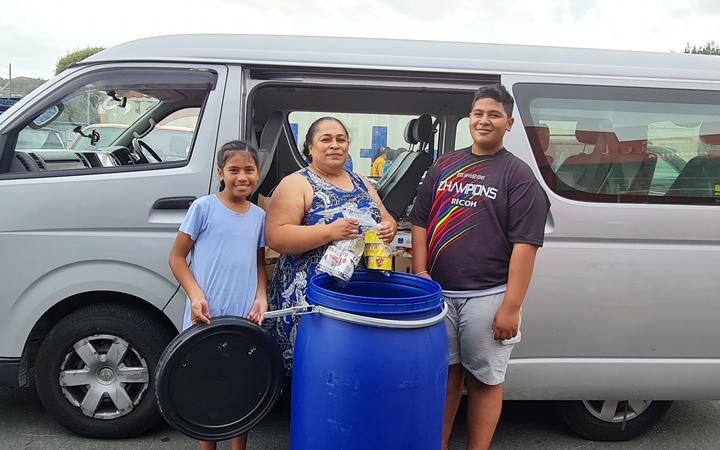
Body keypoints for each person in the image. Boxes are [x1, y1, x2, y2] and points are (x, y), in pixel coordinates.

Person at [410, 84, 549, 450]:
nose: (483, 121)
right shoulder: (444, 165)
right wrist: (422, 272)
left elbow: (526, 245)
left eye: (493, 115)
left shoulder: (517, 176)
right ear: (469, 118)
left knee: (486, 380)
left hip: (488, 296)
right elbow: (420, 219)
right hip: (439, 294)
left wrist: (511, 307)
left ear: (509, 123)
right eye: (478, 113)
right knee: (446, 377)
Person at [265, 117, 397, 376]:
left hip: (356, 293)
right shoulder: (297, 183)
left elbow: (384, 215)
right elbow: (276, 236)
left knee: (347, 369)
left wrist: (389, 226)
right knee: (311, 372)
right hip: (311, 300)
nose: (335, 145)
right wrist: (328, 232)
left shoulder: (361, 181)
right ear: (310, 148)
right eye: (326, 139)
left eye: (341, 139)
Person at [168, 140, 268, 450]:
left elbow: (259, 263)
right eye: (234, 170)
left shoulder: (258, 216)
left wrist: (261, 297)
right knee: (207, 391)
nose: (242, 177)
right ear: (220, 173)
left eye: (249, 170)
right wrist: (195, 294)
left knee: (241, 390)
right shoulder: (203, 207)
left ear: (257, 173)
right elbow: (176, 258)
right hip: (205, 318)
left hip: (243, 318)